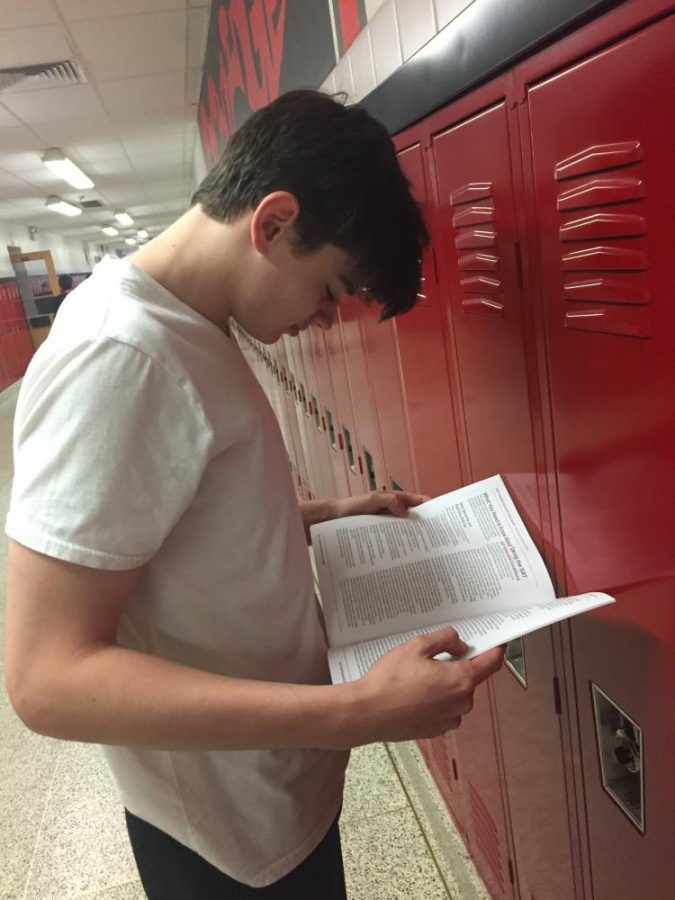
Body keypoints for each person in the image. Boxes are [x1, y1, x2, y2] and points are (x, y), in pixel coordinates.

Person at [4, 91, 503, 899]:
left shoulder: (190, 324)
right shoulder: (122, 356)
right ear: (272, 223)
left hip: (268, 790)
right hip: (222, 840)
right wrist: (356, 713)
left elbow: (169, 524)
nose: (323, 319)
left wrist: (320, 514)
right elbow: (46, 678)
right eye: (330, 287)